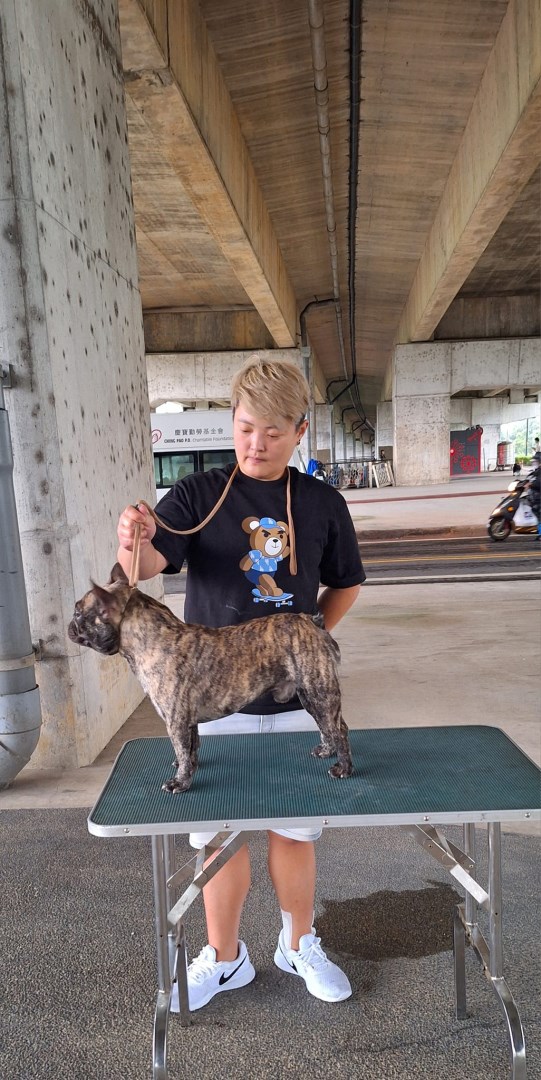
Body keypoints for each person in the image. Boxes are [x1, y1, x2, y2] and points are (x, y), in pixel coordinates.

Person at [116, 354, 365, 1011]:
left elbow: (346, 583)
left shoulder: (322, 502)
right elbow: (147, 564)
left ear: (300, 431)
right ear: (233, 421)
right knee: (218, 838)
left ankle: (297, 944)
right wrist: (130, 538)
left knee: (294, 833)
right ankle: (225, 960)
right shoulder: (197, 495)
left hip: (291, 701)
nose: (257, 443)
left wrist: (307, 644)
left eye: (274, 432)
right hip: (212, 702)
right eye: (246, 428)